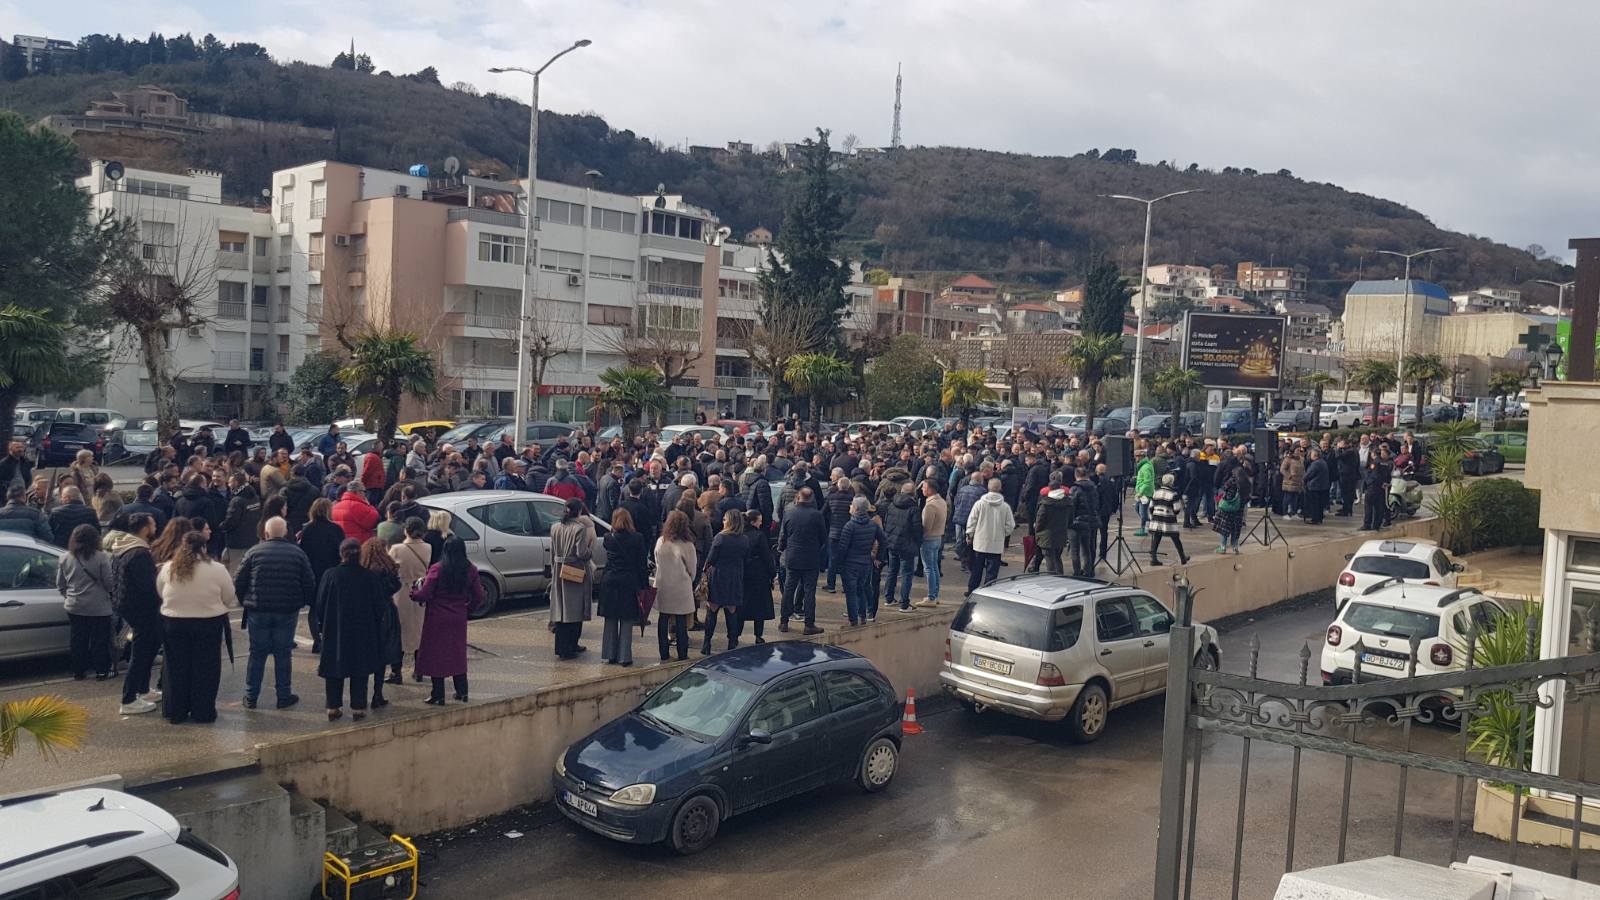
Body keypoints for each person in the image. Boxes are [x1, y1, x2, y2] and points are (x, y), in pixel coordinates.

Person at [233, 516, 315, 710]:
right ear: (285, 532)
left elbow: (239, 580)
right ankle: (283, 694)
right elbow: (309, 581)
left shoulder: (254, 552)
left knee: (257, 653)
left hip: (258, 609)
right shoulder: (297, 553)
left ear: (266, 533)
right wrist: (303, 601)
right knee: (283, 653)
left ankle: (251, 696)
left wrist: (245, 599)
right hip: (287, 609)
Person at [156, 532, 237, 725]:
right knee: (206, 668)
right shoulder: (217, 569)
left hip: (174, 622)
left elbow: (160, 591)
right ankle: (203, 711)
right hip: (207, 622)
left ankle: (176, 711)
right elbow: (229, 595)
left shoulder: (169, 568)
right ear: (204, 548)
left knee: (176, 668)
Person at [315, 538, 385, 721]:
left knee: (334, 667)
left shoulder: (330, 575)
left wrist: (321, 624)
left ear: (341, 554)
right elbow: (379, 605)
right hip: (363, 628)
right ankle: (358, 706)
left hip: (335, 627)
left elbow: (320, 604)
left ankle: (333, 705)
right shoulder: (369, 576)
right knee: (359, 667)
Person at [413, 537, 483, 704]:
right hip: (458, 616)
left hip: (437, 617)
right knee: (457, 653)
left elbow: (424, 594)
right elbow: (479, 595)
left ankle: (438, 695)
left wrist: (414, 591)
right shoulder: (470, 569)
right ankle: (462, 691)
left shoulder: (437, 569)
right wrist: (468, 608)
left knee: (436, 654)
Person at [108, 514, 163, 714]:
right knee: (141, 653)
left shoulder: (122, 548)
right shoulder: (140, 553)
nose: (155, 527)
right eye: (153, 524)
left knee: (146, 650)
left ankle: (142, 689)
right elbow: (147, 585)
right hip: (142, 608)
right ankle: (129, 698)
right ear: (145, 528)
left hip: (127, 605)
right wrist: (158, 575)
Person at [57, 523, 113, 681]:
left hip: (75, 605)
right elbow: (109, 583)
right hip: (99, 606)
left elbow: (60, 584)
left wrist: (68, 597)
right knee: (99, 640)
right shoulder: (101, 557)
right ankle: (101, 671)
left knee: (78, 639)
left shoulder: (64, 557)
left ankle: (78, 672)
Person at [599, 508, 647, 666]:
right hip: (628, 581)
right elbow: (641, 564)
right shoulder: (637, 538)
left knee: (611, 618)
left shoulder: (608, 538)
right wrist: (643, 586)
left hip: (610, 580)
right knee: (626, 619)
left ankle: (609, 654)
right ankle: (624, 656)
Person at [549, 498, 595, 660]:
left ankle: (561, 646)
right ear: (580, 512)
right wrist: (590, 551)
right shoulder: (579, 529)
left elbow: (553, 551)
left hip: (558, 569)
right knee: (574, 609)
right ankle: (570, 646)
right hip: (574, 571)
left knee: (561, 609)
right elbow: (582, 553)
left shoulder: (555, 527)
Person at [359, 537, 403, 708]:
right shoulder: (387, 570)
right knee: (383, 653)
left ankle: (360, 697)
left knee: (364, 653)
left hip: (366, 614)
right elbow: (396, 586)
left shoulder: (363, 570)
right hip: (386, 612)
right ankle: (378, 693)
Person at [777, 487, 827, 633]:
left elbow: (783, 536)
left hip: (792, 556)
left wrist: (781, 549)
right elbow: (823, 537)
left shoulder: (789, 514)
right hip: (811, 557)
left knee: (788, 589)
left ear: (798, 497)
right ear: (811, 499)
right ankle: (809, 624)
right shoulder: (817, 515)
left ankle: (784, 621)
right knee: (809, 591)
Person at [299, 498, 345, 653]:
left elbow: (303, 552)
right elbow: (341, 552)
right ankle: (327, 638)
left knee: (313, 608)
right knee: (330, 607)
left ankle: (316, 641)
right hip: (331, 572)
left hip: (312, 572)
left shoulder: (307, 529)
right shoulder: (335, 529)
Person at [388, 518, 432, 682]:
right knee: (418, 630)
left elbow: (389, 568)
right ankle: (419, 670)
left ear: (406, 530)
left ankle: (396, 672)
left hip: (401, 591)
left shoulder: (397, 549)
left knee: (399, 631)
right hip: (420, 589)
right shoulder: (428, 548)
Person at [654, 510, 697, 661]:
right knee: (681, 622)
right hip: (681, 585)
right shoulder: (688, 545)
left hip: (663, 583)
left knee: (663, 619)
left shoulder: (661, 541)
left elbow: (657, 561)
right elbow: (692, 569)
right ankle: (682, 654)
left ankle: (663, 653)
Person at [837, 496, 887, 626]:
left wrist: (839, 564)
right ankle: (863, 616)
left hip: (850, 564)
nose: (850, 507)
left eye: (851, 505)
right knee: (861, 589)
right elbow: (883, 540)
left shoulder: (849, 526)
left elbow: (843, 547)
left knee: (851, 592)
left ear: (856, 509)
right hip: (865, 563)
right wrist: (878, 557)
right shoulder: (872, 525)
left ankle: (853, 619)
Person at [702, 510, 747, 653]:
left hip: (718, 576)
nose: (723, 521)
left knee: (712, 610)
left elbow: (711, 559)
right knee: (732, 611)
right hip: (735, 577)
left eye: (724, 519)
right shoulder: (744, 539)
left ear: (730, 521)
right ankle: (732, 643)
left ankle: (707, 643)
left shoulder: (720, 538)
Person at [965, 478, 1015, 595]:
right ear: (1000, 488)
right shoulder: (1005, 506)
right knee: (992, 571)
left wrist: (970, 535)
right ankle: (989, 592)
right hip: (996, 544)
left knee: (976, 569)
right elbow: (1010, 525)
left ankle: (971, 589)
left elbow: (972, 521)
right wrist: (1003, 534)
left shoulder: (979, 504)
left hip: (980, 542)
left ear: (988, 487)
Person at [880, 482, 923, 613]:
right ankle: (904, 604)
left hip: (892, 543)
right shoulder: (913, 508)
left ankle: (889, 598)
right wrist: (918, 543)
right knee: (907, 574)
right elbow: (917, 529)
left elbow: (886, 522)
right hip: (907, 545)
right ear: (913, 493)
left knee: (892, 571)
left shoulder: (892, 504)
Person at [742, 508, 777, 642]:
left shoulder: (740, 534)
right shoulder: (759, 536)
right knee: (759, 608)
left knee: (741, 606)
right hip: (758, 574)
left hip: (744, 574)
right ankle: (758, 635)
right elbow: (767, 557)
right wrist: (772, 573)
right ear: (753, 521)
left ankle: (735, 634)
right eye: (759, 521)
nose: (761, 524)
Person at [219, 473, 262, 572]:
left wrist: (221, 527)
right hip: (252, 539)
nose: (228, 484)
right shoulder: (255, 497)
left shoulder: (237, 501)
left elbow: (232, 521)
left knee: (234, 571)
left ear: (236, 482)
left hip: (237, 542)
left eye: (229, 482)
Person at [1032, 472, 1072, 576]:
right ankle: (1060, 577)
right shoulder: (1067, 502)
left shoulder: (1045, 504)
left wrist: (1037, 531)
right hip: (1061, 533)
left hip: (1047, 534)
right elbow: (1070, 518)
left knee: (1049, 558)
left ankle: (1052, 578)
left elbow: (1040, 520)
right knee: (1058, 557)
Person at [917, 480, 947, 608]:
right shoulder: (942, 501)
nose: (922, 489)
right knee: (934, 567)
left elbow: (926, 526)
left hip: (929, 539)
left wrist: (920, 537)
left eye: (924, 487)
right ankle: (935, 594)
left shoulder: (930, 506)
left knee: (929, 568)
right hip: (938, 537)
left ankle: (931, 597)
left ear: (930, 489)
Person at [1148, 473, 1190, 566]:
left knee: (1156, 537)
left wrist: (1154, 513)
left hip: (1156, 517)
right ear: (1171, 482)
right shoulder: (1173, 494)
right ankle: (1182, 557)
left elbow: (1151, 507)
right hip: (1168, 519)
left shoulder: (1156, 492)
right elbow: (1176, 510)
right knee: (1175, 538)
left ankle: (1153, 558)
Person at [1069, 467, 1101, 578]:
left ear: (1076, 475)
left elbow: (1071, 506)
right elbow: (1097, 503)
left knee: (1075, 550)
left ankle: (1077, 573)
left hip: (1077, 522)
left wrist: (1070, 521)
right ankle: (1088, 571)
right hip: (1089, 521)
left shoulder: (1075, 489)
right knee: (1087, 549)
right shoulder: (1093, 487)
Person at [1213, 461, 1250, 554]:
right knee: (1236, 529)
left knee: (1224, 528)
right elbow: (1248, 497)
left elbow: (1224, 490)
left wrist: (1220, 499)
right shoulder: (1246, 483)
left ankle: (1223, 547)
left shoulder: (1232, 481)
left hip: (1227, 508)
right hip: (1239, 509)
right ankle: (1235, 548)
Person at [1303, 448, 1330, 525]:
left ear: (1314, 455)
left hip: (1315, 486)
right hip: (1322, 486)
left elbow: (1310, 474)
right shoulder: (1323, 462)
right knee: (1320, 504)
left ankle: (1315, 519)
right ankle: (1319, 518)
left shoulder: (1316, 464)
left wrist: (1304, 478)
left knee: (1315, 504)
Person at [1279, 448, 1305, 520]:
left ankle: (1294, 512)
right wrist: (1289, 475)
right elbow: (1282, 469)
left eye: (1299, 451)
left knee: (1295, 498)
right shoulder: (1288, 459)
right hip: (1289, 482)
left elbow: (1303, 470)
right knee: (1287, 497)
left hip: (1298, 482)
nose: (1298, 452)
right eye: (1297, 450)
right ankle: (1285, 513)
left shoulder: (1301, 459)